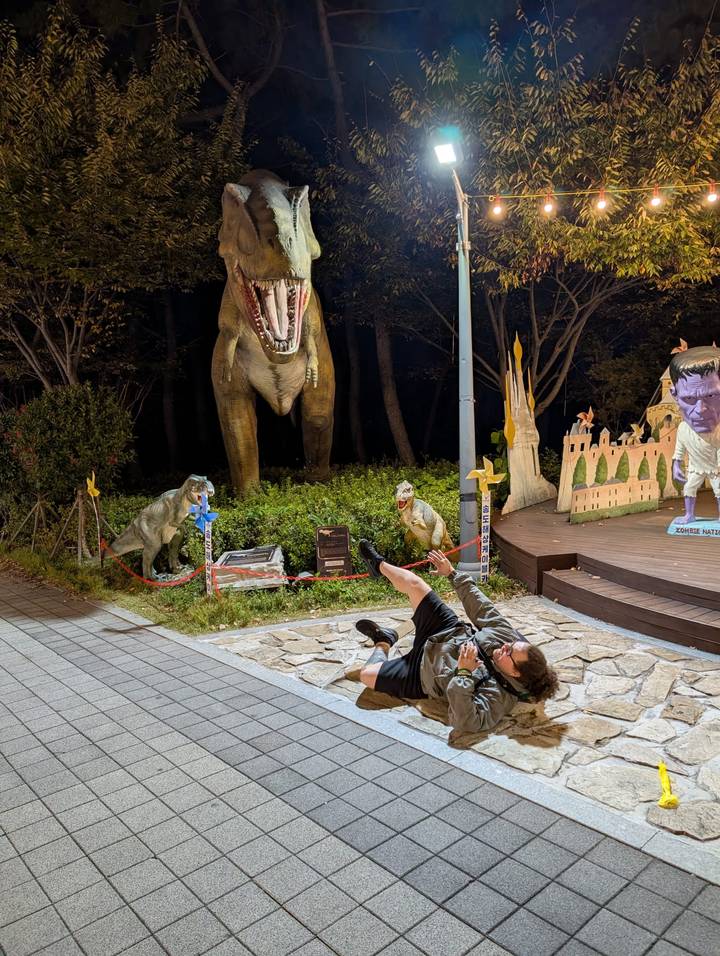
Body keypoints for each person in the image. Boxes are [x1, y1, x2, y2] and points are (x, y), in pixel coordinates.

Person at [352, 539, 558, 737]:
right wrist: (452, 573)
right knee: (415, 584)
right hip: (446, 630)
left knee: (366, 675)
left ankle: (383, 642)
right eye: (510, 645)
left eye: (509, 652)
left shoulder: (500, 696)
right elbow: (483, 608)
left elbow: (468, 722)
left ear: (514, 672)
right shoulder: (506, 636)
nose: (506, 646)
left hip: (422, 674)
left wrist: (464, 673)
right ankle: (377, 565)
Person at [669, 345, 720, 525]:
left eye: (712, 396)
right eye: (689, 399)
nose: (700, 410)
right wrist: (676, 466)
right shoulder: (683, 429)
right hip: (696, 468)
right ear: (675, 395)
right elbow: (679, 450)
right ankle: (689, 515)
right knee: (689, 489)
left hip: (715, 469)